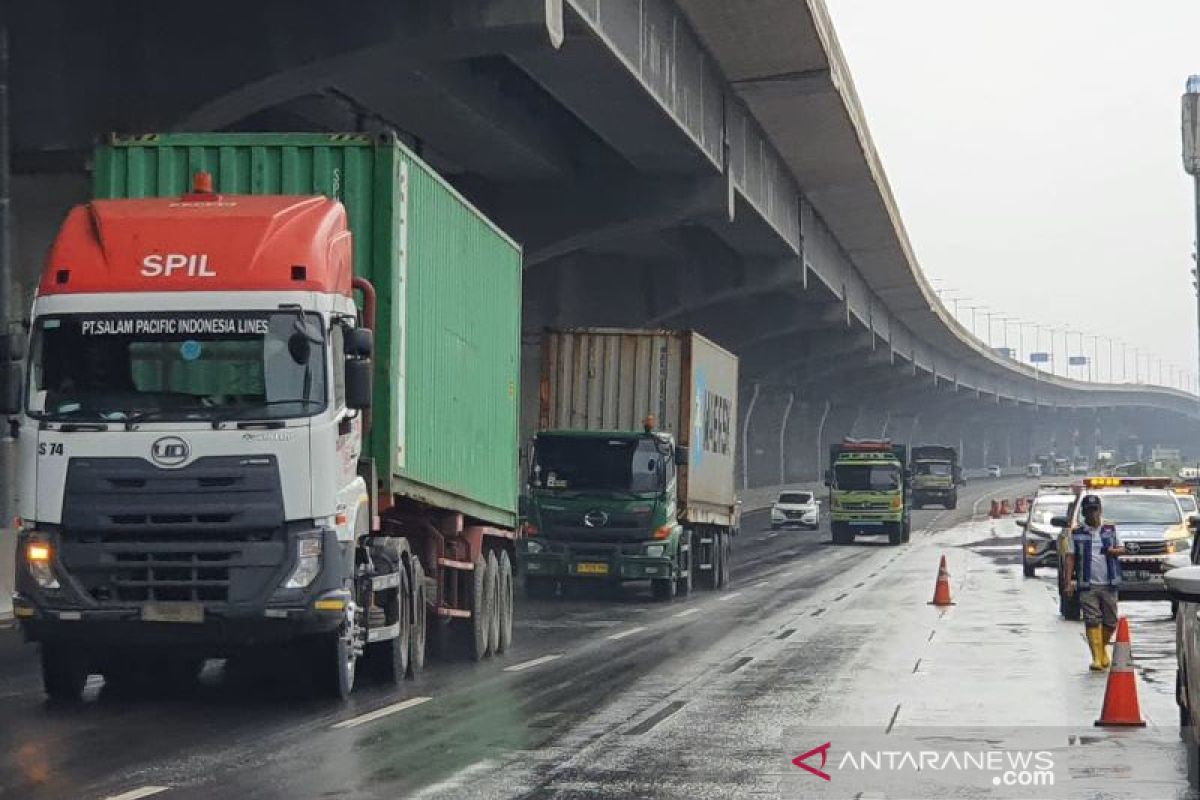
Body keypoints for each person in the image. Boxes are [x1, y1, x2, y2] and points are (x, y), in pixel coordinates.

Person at [1064, 495, 1124, 671]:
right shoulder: (1077, 533)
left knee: (1111, 622)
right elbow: (1070, 558)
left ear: (1100, 510)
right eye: (1089, 511)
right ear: (1083, 513)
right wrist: (1068, 583)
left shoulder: (1110, 530)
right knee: (1092, 620)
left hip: (1109, 582)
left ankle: (1102, 648)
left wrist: (1115, 551)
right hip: (1087, 584)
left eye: (1095, 510)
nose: (1093, 514)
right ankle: (1097, 658)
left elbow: (1122, 548)